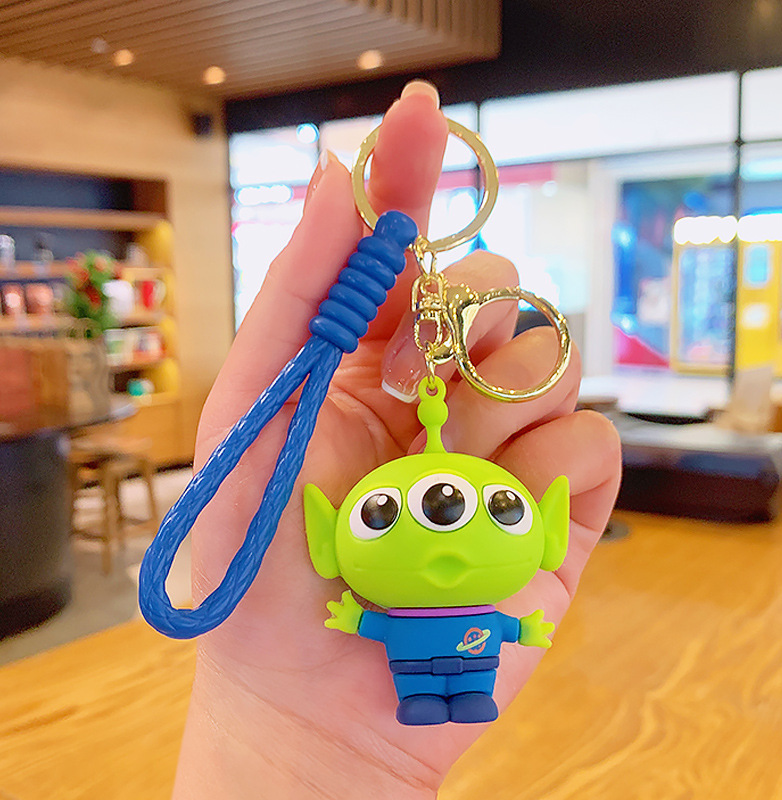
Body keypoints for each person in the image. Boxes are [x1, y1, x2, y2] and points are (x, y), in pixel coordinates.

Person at [172, 80, 621, 799]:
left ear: (542, 534)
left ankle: (449, 698)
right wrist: (275, 727)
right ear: (329, 540)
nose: (446, 537)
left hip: (431, 672)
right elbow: (432, 623)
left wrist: (523, 628)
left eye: (505, 510)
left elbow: (499, 626)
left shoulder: (468, 599)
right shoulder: (361, 573)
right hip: (369, 681)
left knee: (458, 681)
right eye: (378, 514)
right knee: (424, 683)